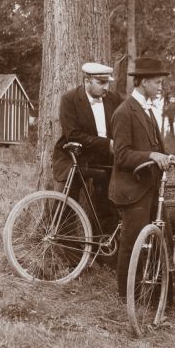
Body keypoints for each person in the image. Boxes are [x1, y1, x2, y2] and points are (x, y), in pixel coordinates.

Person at [109, 56, 174, 299]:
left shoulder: (147, 110)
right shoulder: (124, 112)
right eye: (157, 83)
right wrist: (151, 155)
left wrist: (167, 157)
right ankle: (127, 298)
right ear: (144, 82)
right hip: (132, 190)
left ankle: (158, 296)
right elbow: (122, 156)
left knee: (161, 240)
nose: (160, 88)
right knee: (131, 244)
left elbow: (156, 146)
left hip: (151, 188)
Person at [52, 62, 123, 237]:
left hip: (104, 160)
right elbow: (73, 134)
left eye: (108, 83)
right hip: (74, 157)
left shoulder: (114, 99)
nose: (106, 88)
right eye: (101, 83)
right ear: (87, 81)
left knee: (108, 204)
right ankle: (68, 252)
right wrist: (107, 144)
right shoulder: (69, 99)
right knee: (65, 204)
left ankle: (103, 250)